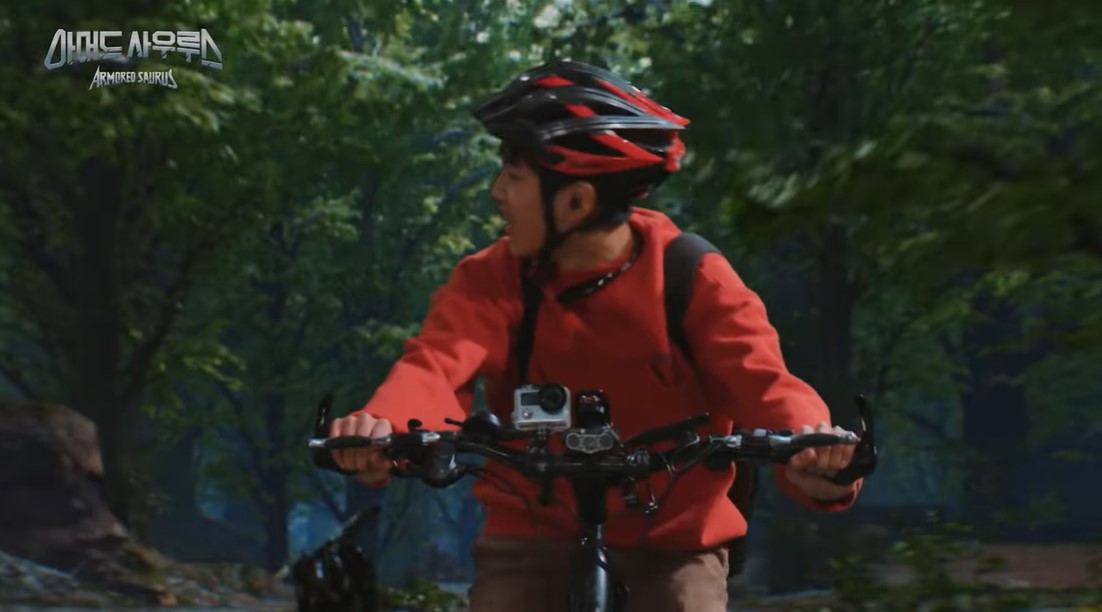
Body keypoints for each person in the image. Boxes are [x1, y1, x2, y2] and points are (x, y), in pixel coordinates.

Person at [329, 60, 863, 612]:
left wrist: (812, 449)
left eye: (515, 177)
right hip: (533, 536)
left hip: (674, 540)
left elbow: (761, 379)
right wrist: (384, 430)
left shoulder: (688, 273)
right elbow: (436, 366)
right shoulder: (491, 278)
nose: (497, 192)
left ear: (578, 202)